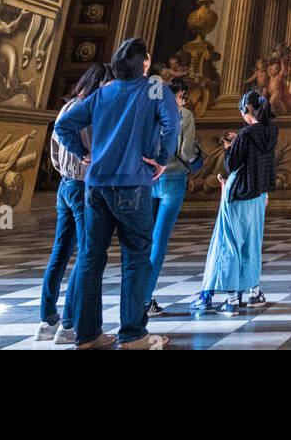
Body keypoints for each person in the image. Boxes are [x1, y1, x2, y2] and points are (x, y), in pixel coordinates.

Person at [54, 37, 180, 350]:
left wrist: (83, 154)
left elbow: (64, 125)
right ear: (146, 62)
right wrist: (162, 159)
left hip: (96, 186)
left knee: (90, 258)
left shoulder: (105, 91)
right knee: (136, 258)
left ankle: (87, 336)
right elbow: (172, 123)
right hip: (132, 183)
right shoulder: (153, 87)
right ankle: (133, 335)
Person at [192, 89, 279, 314]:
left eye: (242, 110)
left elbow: (231, 165)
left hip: (240, 194)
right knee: (252, 243)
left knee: (230, 244)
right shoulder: (271, 131)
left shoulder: (247, 133)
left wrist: (230, 146)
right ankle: (254, 293)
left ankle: (231, 300)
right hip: (259, 195)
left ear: (247, 109)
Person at [35, 63, 104, 344]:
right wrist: (84, 159)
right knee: (87, 254)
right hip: (81, 185)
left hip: (65, 184)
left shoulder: (67, 105)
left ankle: (47, 320)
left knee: (60, 253)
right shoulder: (85, 110)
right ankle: (70, 325)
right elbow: (88, 149)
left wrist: (66, 169)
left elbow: (53, 148)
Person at [145, 78, 199, 317]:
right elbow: (187, 152)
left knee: (143, 238)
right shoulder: (184, 115)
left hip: (148, 177)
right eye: (184, 96)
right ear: (182, 95)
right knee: (159, 240)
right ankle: (146, 299)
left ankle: (135, 296)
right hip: (173, 176)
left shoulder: (150, 111)